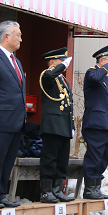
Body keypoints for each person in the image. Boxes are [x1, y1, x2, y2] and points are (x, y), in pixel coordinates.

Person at [0, 21, 25, 209]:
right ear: (6, 36)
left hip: (16, 121)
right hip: (0, 120)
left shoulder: (15, 61)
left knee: (8, 159)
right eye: (17, 35)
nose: (20, 38)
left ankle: (0, 193)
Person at [82, 44, 108, 199]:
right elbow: (95, 77)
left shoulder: (107, 80)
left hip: (107, 124)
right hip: (96, 123)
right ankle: (90, 189)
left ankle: (96, 187)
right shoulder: (92, 72)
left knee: (104, 155)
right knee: (94, 155)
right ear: (101, 59)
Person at [39, 48, 75, 203]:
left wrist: (71, 125)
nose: (64, 64)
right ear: (52, 62)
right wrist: (60, 66)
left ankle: (57, 189)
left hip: (64, 125)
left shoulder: (62, 80)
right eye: (61, 61)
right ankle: (46, 192)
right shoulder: (47, 76)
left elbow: (69, 104)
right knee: (49, 159)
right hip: (52, 125)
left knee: (61, 160)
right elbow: (49, 75)